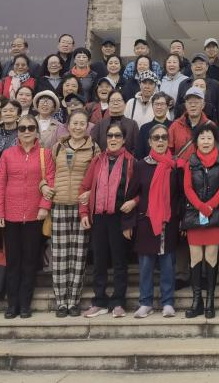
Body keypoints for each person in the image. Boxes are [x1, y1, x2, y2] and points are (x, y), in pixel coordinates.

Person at [0, 114, 54, 319]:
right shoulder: (7, 154)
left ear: (37, 132)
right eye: (22, 128)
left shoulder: (45, 154)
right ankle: (12, 304)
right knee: (13, 261)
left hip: (35, 215)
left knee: (29, 262)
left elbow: (51, 181)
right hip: (11, 215)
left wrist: (44, 206)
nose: (26, 132)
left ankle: (25, 304)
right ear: (17, 132)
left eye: (30, 128)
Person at [42, 110, 99, 317]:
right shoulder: (57, 147)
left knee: (78, 256)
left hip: (80, 208)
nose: (78, 127)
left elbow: (99, 176)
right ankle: (61, 302)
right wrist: (43, 186)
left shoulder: (93, 148)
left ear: (87, 126)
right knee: (59, 256)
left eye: (82, 123)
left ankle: (73, 300)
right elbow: (47, 174)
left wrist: (91, 193)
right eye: (74, 123)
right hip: (59, 205)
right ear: (68, 125)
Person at [78, 121, 135, 319]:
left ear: (124, 139)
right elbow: (84, 188)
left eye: (117, 136)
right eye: (110, 135)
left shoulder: (131, 162)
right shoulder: (97, 160)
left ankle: (118, 301)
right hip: (99, 217)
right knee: (99, 261)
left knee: (119, 261)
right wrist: (84, 213)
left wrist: (134, 203)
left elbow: (139, 192)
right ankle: (99, 301)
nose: (113, 139)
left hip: (120, 217)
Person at [126, 124, 182, 318]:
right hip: (147, 221)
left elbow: (180, 195)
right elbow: (132, 194)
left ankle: (168, 302)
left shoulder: (174, 166)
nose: (160, 141)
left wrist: (179, 218)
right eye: (156, 138)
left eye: (164, 137)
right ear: (149, 142)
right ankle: (145, 302)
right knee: (146, 265)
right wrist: (128, 222)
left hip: (168, 222)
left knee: (168, 265)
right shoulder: (141, 165)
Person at [181, 122, 219, 318]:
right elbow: (187, 188)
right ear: (196, 141)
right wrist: (201, 207)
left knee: (211, 257)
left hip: (214, 215)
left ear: (215, 141)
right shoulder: (190, 162)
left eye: (210, 138)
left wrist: (210, 206)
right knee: (195, 258)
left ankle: (210, 301)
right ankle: (197, 301)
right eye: (202, 138)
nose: (206, 141)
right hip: (195, 216)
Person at [136, 93, 173, 160]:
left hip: (170, 164)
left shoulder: (174, 126)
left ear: (167, 107)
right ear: (152, 106)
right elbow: (139, 155)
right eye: (156, 104)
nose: (159, 107)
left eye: (162, 104)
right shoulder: (144, 128)